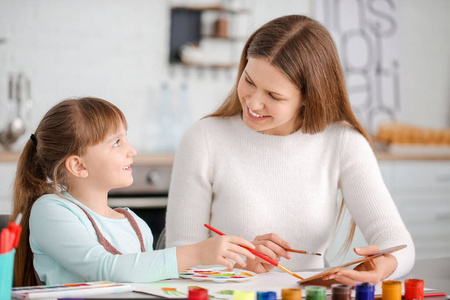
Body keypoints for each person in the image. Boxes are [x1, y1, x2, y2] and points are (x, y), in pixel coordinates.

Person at [165, 15, 415, 285]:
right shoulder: (203, 139)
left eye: (273, 96)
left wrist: (384, 267)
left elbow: (400, 246)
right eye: (249, 81)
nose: (254, 103)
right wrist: (240, 262)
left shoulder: (343, 143)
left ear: (309, 97)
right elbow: (178, 258)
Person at [10, 97, 256, 287]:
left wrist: (240, 260)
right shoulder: (51, 211)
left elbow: (152, 276)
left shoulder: (134, 224)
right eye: (117, 142)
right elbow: (105, 268)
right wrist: (197, 251)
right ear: (78, 165)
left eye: (126, 138)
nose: (132, 150)